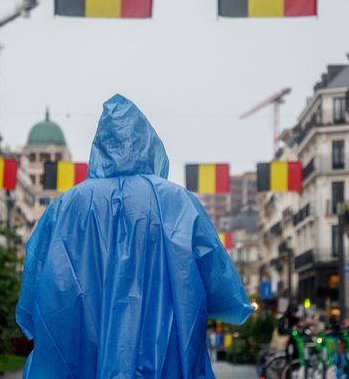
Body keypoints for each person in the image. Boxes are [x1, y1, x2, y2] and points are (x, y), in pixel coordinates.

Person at [15, 95, 253, 379]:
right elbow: (222, 287)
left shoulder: (66, 207)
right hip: (165, 363)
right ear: (148, 144)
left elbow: (35, 290)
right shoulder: (179, 203)